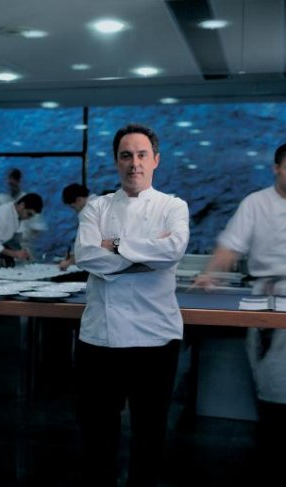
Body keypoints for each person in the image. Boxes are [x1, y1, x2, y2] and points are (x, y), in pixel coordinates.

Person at [73, 123, 190, 486]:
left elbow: (172, 251)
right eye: (126, 155)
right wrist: (146, 257)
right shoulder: (97, 207)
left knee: (149, 435)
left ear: (156, 160)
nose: (134, 163)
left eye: (142, 155)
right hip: (100, 338)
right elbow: (86, 255)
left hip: (155, 338)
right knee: (97, 436)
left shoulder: (173, 206)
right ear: (116, 161)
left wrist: (115, 246)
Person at [192, 141, 286, 485]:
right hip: (269, 301)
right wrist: (210, 274)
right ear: (276, 168)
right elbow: (230, 248)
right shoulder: (256, 203)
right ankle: (275, 463)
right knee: (276, 386)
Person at [0, 168, 48, 258]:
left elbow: (38, 227)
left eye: (15, 180)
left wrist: (24, 237)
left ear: (20, 181)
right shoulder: (1, 200)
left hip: (23, 248)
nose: (12, 183)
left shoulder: (30, 200)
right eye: (10, 180)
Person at [0, 192, 43, 270]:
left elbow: (13, 241)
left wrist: (23, 252)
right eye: (29, 214)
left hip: (1, 255)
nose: (28, 218)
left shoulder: (18, 216)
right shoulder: (1, 214)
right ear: (22, 205)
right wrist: (15, 254)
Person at [57, 183, 98, 271]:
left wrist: (69, 262)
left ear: (79, 200)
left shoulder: (88, 212)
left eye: (73, 207)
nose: (75, 210)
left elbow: (90, 245)